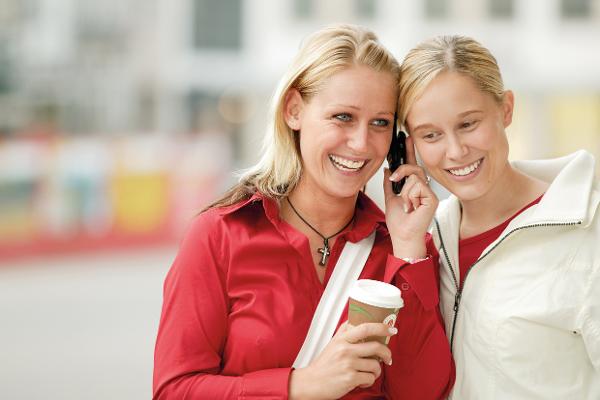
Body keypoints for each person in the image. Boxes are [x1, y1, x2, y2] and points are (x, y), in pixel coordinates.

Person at [153, 24, 454, 399]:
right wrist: (299, 386)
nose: (361, 143)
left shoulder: (402, 249)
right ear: (294, 110)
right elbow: (174, 390)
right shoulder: (221, 235)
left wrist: (407, 249)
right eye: (343, 117)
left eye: (380, 123)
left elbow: (423, 392)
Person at [391, 34, 600, 399]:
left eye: (468, 124)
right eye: (431, 134)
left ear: (506, 109)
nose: (455, 151)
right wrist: (408, 245)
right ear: (409, 147)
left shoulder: (589, 233)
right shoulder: (429, 240)